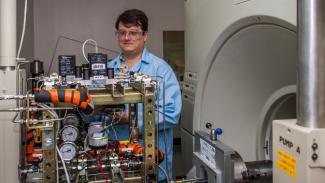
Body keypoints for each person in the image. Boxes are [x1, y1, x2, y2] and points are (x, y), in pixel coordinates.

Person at [107, 9, 182, 182]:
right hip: (113, 161)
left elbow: (171, 115)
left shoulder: (160, 70)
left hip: (153, 161)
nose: (127, 37)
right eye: (122, 32)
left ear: (145, 35)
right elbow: (92, 114)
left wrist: (130, 118)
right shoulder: (106, 70)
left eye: (133, 32)